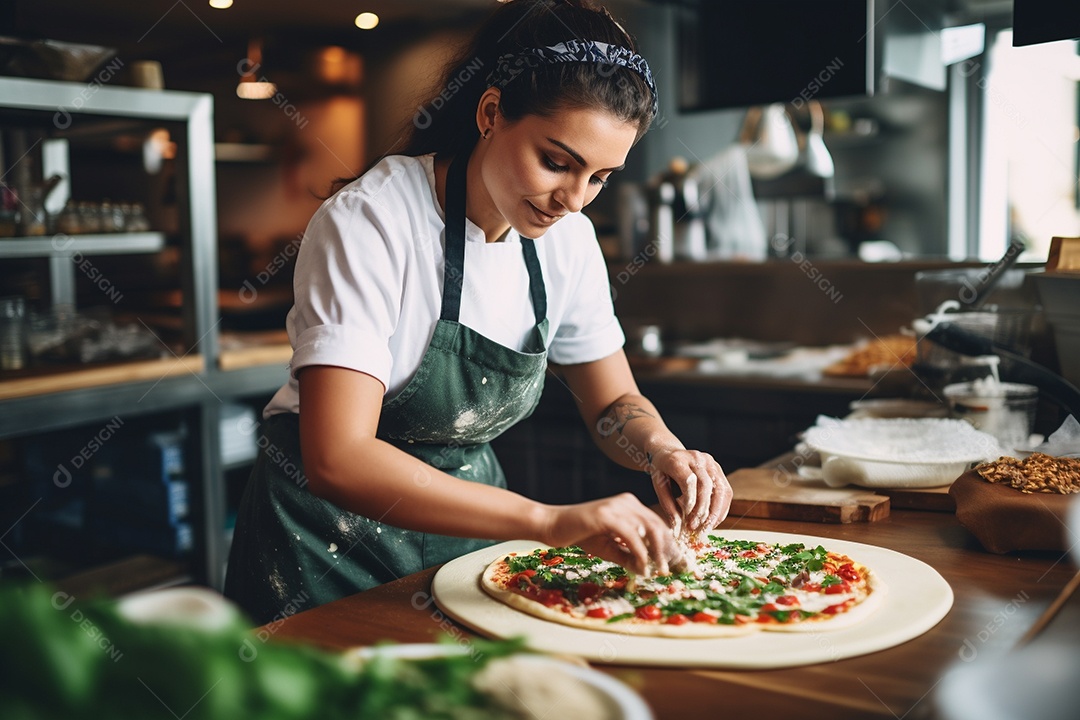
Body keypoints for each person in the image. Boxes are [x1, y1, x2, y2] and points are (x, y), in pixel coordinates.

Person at [224, 0, 732, 625]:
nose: (572, 201)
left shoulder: (567, 240)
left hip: (468, 538)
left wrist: (661, 449)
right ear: (490, 113)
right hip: (321, 551)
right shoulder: (372, 221)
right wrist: (547, 521)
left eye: (600, 177)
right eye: (556, 162)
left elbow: (610, 404)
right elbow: (339, 457)